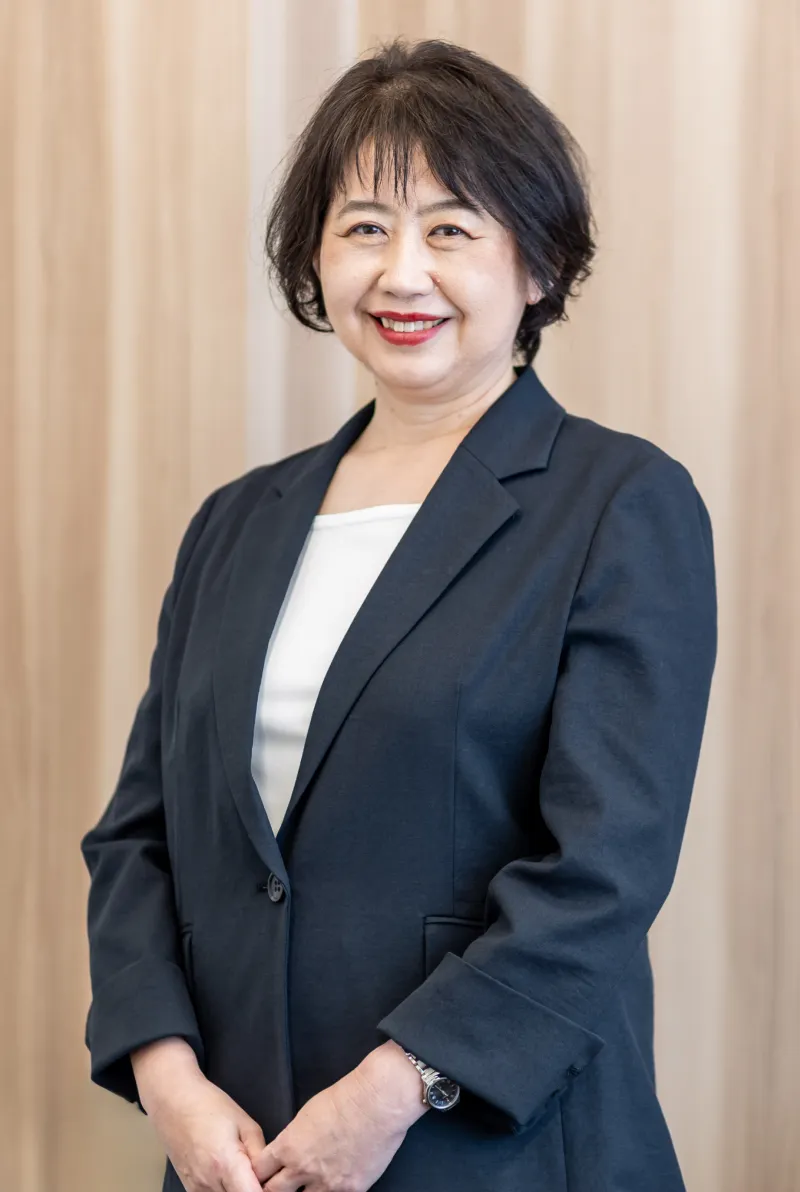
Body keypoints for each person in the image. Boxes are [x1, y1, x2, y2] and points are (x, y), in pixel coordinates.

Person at [80, 36, 717, 1192]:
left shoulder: (616, 503)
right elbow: (140, 837)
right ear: (315, 256)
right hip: (237, 1153)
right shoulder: (235, 522)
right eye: (364, 227)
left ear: (536, 264)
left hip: (493, 1148)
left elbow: (601, 871)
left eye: (450, 230)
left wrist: (392, 1090)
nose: (400, 273)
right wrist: (166, 1077)